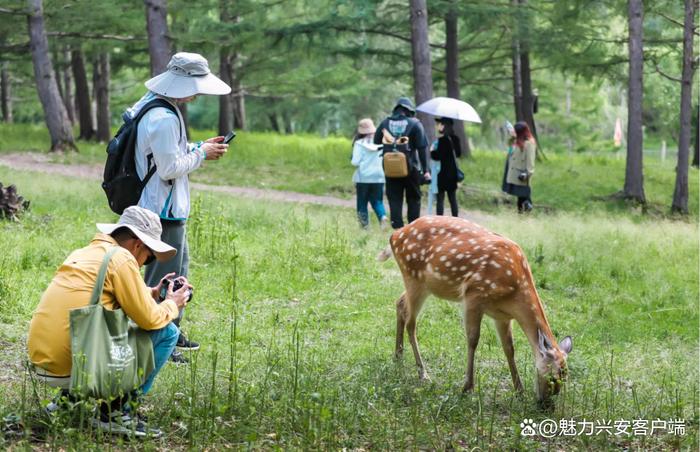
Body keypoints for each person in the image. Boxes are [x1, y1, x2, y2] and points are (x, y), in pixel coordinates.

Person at [27, 206, 192, 436]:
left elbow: (98, 294)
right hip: (73, 367)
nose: (146, 263)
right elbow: (150, 320)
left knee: (105, 324)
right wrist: (173, 304)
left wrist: (152, 293)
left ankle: (68, 401)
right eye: (149, 258)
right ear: (137, 244)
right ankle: (117, 412)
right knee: (168, 332)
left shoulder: (84, 253)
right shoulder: (122, 258)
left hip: (44, 361)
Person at [129, 52, 231, 363]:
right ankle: (157, 340)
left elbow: (165, 153)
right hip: (162, 210)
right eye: (196, 86)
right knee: (163, 277)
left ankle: (170, 332)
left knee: (177, 274)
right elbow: (169, 167)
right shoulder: (163, 118)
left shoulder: (157, 106)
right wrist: (203, 156)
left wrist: (198, 147)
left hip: (165, 207)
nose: (198, 93)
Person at [373, 97, 430, 229]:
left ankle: (397, 228)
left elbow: (376, 141)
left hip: (390, 169)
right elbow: (422, 148)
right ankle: (413, 228)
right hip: (411, 169)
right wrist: (426, 170)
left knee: (394, 199)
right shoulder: (415, 124)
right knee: (413, 199)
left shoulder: (385, 123)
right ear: (409, 111)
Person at [351, 118, 388, 229]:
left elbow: (355, 161)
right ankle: (382, 216)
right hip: (379, 176)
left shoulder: (359, 144)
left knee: (362, 202)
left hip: (363, 177)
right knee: (377, 200)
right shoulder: (382, 142)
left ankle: (364, 227)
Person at [430, 117, 462, 216]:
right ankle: (456, 220)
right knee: (453, 199)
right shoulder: (456, 139)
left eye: (441, 124)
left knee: (440, 199)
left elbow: (437, 156)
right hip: (452, 173)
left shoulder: (442, 140)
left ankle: (440, 222)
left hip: (442, 173)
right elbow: (459, 154)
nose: (439, 126)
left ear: (445, 126)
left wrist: (432, 151)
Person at [502, 121, 535, 212]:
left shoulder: (529, 143)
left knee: (524, 195)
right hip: (514, 173)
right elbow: (510, 151)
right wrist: (512, 137)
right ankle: (521, 215)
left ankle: (525, 213)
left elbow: (530, 161)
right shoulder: (516, 141)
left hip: (522, 174)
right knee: (520, 196)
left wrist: (528, 173)